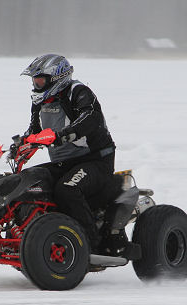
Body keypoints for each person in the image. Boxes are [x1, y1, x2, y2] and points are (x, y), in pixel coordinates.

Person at [20, 54, 116, 252]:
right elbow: (34, 132)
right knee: (28, 183)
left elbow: (89, 118)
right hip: (64, 163)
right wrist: (21, 145)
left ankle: (89, 242)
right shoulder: (39, 102)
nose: (36, 85)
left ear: (56, 78)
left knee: (66, 189)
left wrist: (62, 135)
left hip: (96, 160)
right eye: (34, 81)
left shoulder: (79, 92)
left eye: (40, 80)